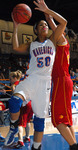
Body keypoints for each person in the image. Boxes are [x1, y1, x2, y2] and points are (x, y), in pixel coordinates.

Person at [4, 0, 67, 149]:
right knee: (14, 101)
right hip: (31, 79)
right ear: (36, 31)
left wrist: (47, 10)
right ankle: (13, 127)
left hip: (45, 83)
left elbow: (63, 23)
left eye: (45, 24)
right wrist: (15, 27)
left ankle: (36, 147)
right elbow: (15, 47)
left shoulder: (53, 40)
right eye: (41, 25)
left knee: (39, 121)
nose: (44, 26)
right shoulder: (31, 44)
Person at [45, 11, 78, 150]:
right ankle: (73, 146)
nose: (55, 32)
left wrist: (48, 12)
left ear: (63, 33)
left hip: (61, 81)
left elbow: (61, 25)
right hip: (64, 81)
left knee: (58, 120)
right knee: (66, 120)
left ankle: (74, 147)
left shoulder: (62, 41)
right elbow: (56, 28)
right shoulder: (62, 43)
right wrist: (48, 18)